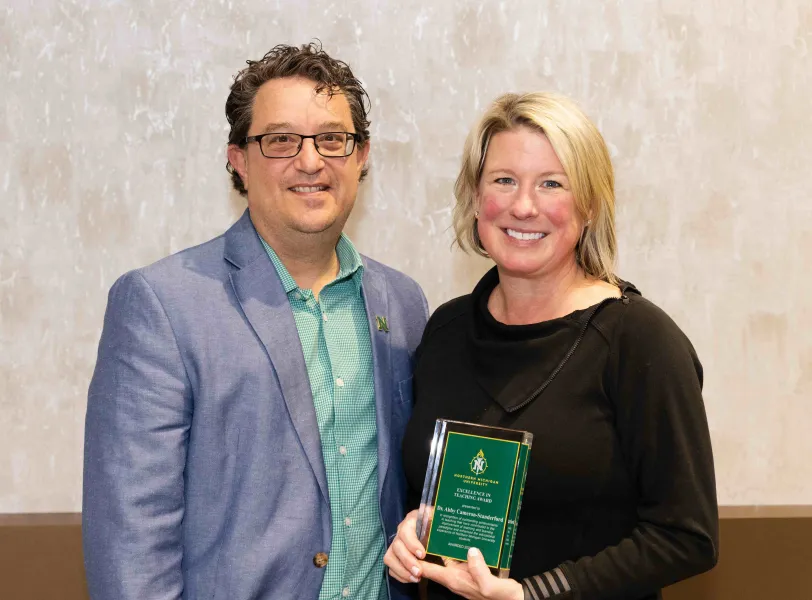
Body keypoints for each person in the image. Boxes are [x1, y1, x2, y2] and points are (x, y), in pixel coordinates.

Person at [83, 43, 428, 600]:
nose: (310, 161)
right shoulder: (161, 304)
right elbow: (131, 543)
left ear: (361, 156)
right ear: (238, 160)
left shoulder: (403, 302)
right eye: (281, 140)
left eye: (332, 139)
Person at [384, 92, 718, 600]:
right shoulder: (446, 330)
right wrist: (416, 533)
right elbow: (433, 491)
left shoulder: (638, 340)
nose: (523, 205)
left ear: (589, 206)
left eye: (551, 184)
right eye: (504, 180)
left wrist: (532, 595)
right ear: (475, 197)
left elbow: (687, 536)